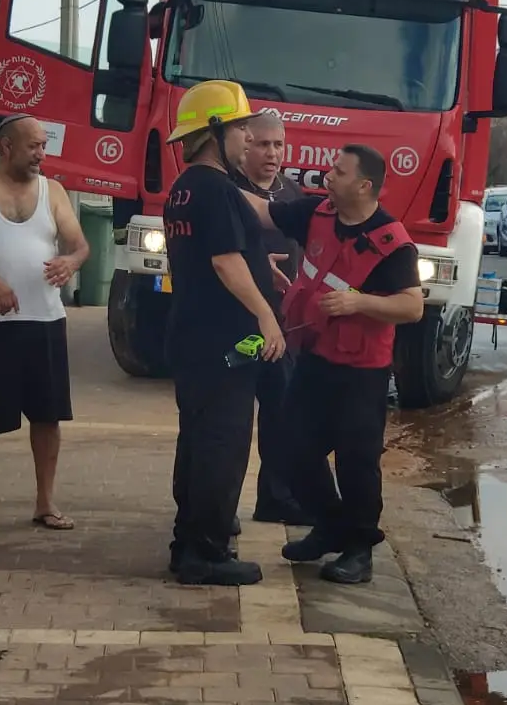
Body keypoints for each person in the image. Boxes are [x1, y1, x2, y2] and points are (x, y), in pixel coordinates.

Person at [245, 145, 425, 585]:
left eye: (339, 172)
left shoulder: (392, 241)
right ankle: (329, 525)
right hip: (316, 357)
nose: (328, 176)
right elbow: (265, 212)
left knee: (356, 461)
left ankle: (359, 550)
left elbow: (413, 307)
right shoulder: (317, 213)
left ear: (364, 186)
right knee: (290, 446)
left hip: (362, 370)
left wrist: (357, 302)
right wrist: (216, 186)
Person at [161, 80, 286, 587]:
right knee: (224, 442)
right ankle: (206, 553)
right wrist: (266, 315)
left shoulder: (184, 187)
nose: (247, 138)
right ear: (216, 132)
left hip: (194, 338)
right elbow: (223, 260)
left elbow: (226, 257)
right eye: (240, 128)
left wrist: (262, 268)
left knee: (197, 438)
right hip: (227, 345)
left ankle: (188, 540)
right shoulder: (216, 190)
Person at [0, 113, 89, 531]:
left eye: (44, 145)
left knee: (47, 415)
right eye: (34, 146)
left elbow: (79, 244)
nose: (42, 154)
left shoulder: (53, 191)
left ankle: (46, 503)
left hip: (44, 321)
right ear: (6, 146)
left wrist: (71, 261)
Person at [233, 110, 312, 525]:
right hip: (237, 327)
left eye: (279, 145)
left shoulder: (292, 194)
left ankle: (276, 498)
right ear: (245, 145)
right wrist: (258, 263)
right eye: (263, 144)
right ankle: (219, 506)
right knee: (231, 414)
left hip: (283, 328)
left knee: (283, 411)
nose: (272, 153)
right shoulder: (227, 191)